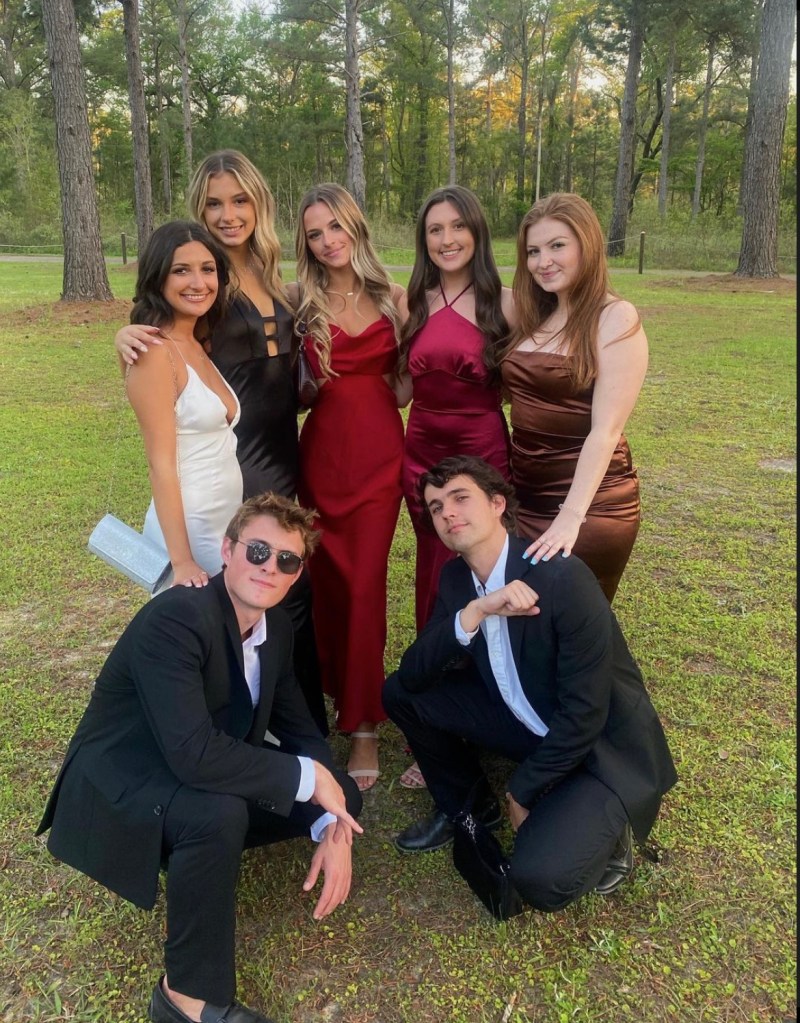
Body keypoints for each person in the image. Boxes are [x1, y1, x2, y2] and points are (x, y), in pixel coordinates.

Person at [38, 493, 363, 1023]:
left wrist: (334, 821)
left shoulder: (277, 628)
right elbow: (193, 754)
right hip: (129, 779)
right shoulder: (176, 618)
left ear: (297, 574)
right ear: (228, 550)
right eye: (258, 550)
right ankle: (183, 999)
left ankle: (205, 851)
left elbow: (301, 729)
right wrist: (307, 778)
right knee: (220, 813)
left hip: (204, 764)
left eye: (287, 560)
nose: (270, 567)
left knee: (339, 790)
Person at [383, 456, 676, 912]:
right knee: (399, 693)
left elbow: (586, 714)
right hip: (522, 719)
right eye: (436, 507)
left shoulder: (561, 576)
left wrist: (523, 789)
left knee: (539, 879)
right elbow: (414, 673)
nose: (447, 513)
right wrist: (475, 611)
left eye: (461, 498)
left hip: (595, 749)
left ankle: (611, 832)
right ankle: (470, 805)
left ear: (497, 503)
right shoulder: (457, 579)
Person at [115, 150, 326, 733]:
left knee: (287, 590)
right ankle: (259, 729)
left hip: (282, 450)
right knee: (254, 597)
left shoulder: (266, 274)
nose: (229, 214)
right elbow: (161, 347)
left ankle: (293, 722)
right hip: (235, 459)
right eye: (214, 203)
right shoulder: (201, 280)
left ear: (259, 204)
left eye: (240, 200)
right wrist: (123, 334)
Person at [396, 185, 514, 790]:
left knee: (483, 572)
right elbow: (399, 388)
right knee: (434, 578)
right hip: (420, 456)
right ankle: (436, 715)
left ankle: (495, 704)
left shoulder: (506, 302)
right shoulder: (410, 300)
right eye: (435, 229)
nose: (446, 240)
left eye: (457, 227)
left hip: (481, 452)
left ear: (477, 232)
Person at [293, 182, 406, 790]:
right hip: (321, 459)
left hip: (380, 460)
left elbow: (407, 384)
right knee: (326, 584)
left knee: (365, 585)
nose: (328, 241)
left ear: (355, 226)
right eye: (315, 233)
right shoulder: (298, 300)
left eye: (336, 226)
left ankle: (363, 724)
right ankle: (329, 696)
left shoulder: (394, 297)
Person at [497, 192, 648, 602]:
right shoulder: (535, 315)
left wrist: (570, 517)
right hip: (525, 499)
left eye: (557, 246)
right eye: (533, 251)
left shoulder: (614, 316)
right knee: (523, 620)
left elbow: (606, 430)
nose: (543, 261)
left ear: (587, 245)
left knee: (571, 622)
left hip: (590, 505)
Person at [125, 220, 243, 588]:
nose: (198, 282)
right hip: (190, 529)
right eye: (181, 270)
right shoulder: (154, 353)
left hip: (225, 520)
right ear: (158, 277)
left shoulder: (196, 341)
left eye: (207, 269)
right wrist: (182, 561)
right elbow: (160, 464)